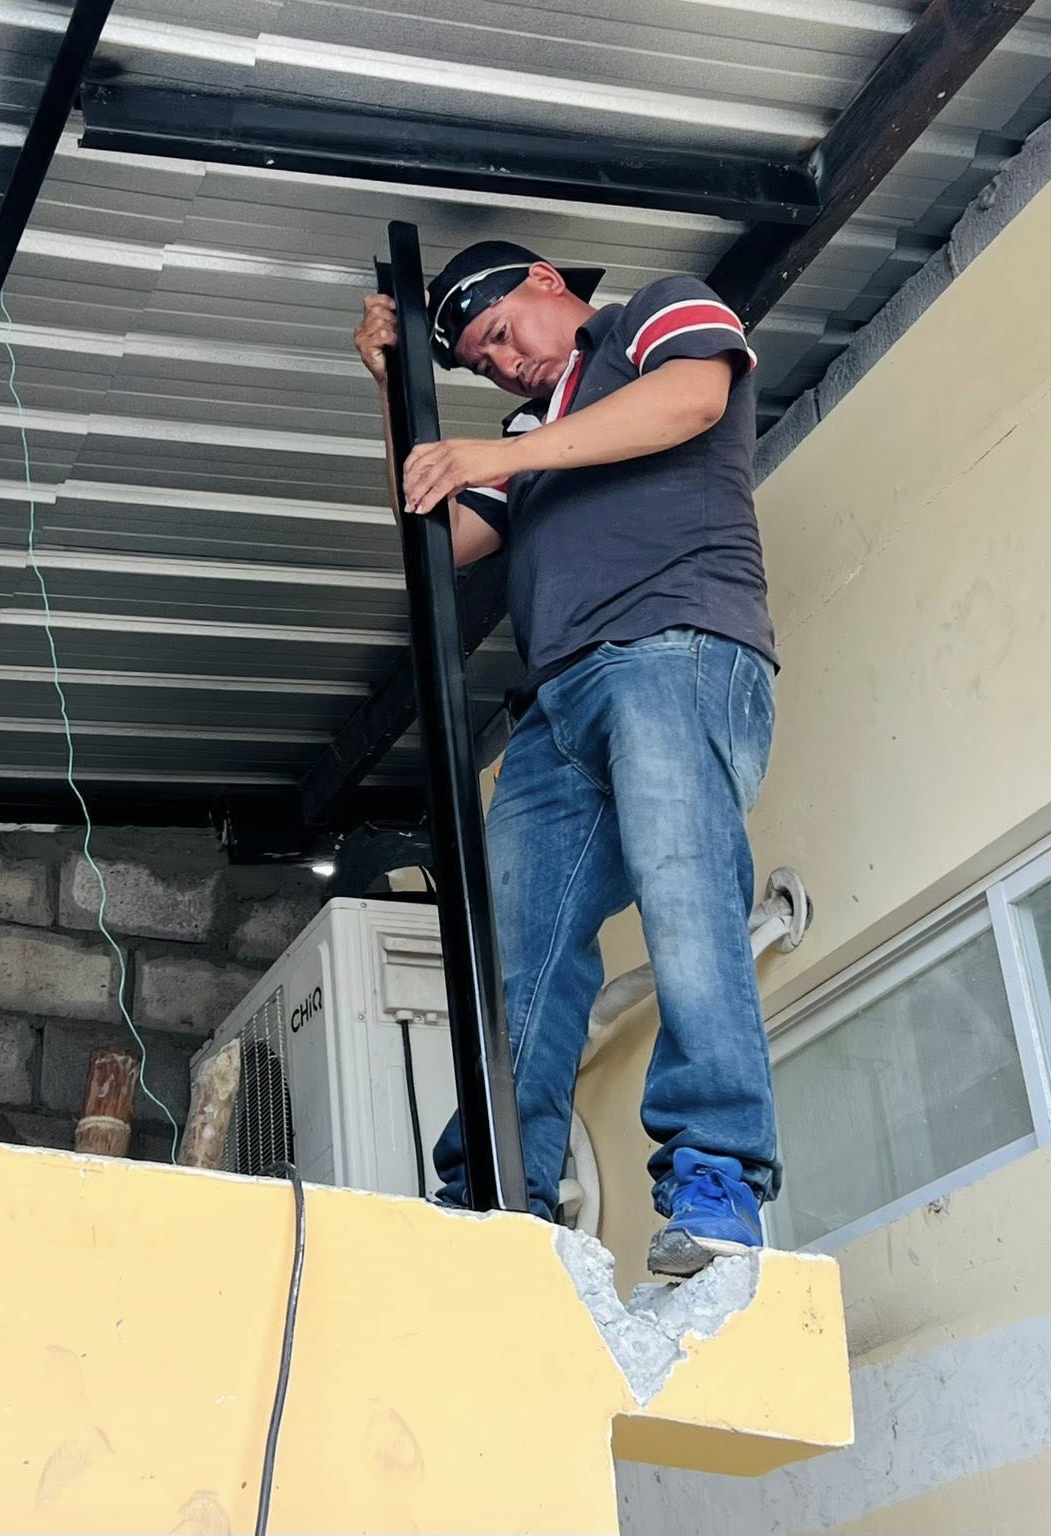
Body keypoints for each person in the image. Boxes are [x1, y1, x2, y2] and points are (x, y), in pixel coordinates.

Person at [352, 240, 779, 1277]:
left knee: (684, 895)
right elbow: (438, 540)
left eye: (502, 334)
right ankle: (494, 1193)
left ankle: (716, 1170)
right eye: (479, 362)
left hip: (678, 648)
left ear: (547, 280)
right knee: (515, 950)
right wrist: (395, 394)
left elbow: (692, 401)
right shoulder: (525, 437)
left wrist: (496, 455)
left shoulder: (653, 318)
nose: (503, 365)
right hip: (558, 706)